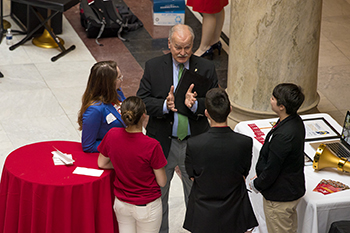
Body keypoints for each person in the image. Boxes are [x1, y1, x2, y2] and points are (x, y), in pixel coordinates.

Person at [136, 24, 218, 233]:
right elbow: (142, 100)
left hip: (194, 143)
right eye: (178, 47)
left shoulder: (206, 68)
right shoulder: (154, 67)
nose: (183, 53)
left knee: (196, 196)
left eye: (188, 47)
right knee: (160, 196)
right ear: (169, 44)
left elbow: (215, 101)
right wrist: (165, 106)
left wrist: (197, 104)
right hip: (163, 143)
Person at [183, 88, 258, 233]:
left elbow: (192, 176)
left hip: (203, 212)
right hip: (234, 210)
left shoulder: (194, 144)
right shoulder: (244, 142)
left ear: (206, 113)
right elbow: (244, 172)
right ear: (230, 109)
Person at [97, 96, 167, 233]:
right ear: (143, 116)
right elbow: (162, 181)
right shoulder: (152, 145)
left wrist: (120, 164)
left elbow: (102, 163)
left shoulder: (112, 135)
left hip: (122, 204)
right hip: (147, 206)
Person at [249, 83, 306, 233]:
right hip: (290, 189)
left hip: (280, 197)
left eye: (273, 98)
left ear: (282, 106)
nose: (270, 99)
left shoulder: (283, 136)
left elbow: (273, 168)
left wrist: (257, 183)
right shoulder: (295, 120)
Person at [77, 60, 126, 153]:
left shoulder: (118, 92)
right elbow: (88, 146)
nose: (122, 80)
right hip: (112, 154)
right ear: (108, 83)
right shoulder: (94, 110)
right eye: (119, 78)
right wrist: (120, 144)